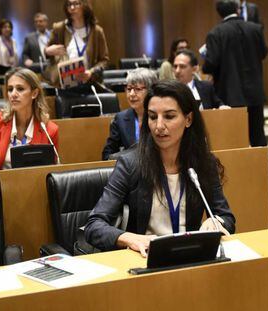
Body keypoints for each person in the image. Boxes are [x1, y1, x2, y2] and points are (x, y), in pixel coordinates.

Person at [85, 80, 236, 257]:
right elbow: (94, 225)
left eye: (169, 116)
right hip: (145, 260)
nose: (159, 126)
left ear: (188, 119)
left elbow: (227, 218)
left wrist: (216, 221)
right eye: (153, 117)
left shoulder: (203, 163)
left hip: (190, 257)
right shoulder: (131, 163)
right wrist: (128, 238)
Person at [203, 0, 268, 147]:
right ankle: (261, 168)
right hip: (255, 92)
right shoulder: (256, 28)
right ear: (238, 10)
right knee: (258, 135)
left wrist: (205, 62)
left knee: (234, 139)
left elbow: (211, 64)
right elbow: (263, 53)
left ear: (219, 13)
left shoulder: (215, 33)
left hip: (229, 94)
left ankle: (240, 169)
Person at [44, 0, 109, 86]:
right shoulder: (60, 28)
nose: (72, 8)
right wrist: (47, 51)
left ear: (85, 5)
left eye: (76, 3)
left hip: (89, 83)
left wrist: (91, 72)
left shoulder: (97, 31)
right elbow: (47, 51)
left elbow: (104, 60)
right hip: (64, 84)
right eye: (69, 4)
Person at [102, 68, 158, 160]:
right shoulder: (120, 118)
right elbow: (108, 153)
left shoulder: (160, 117)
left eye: (137, 89)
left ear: (151, 91)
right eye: (129, 89)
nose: (131, 94)